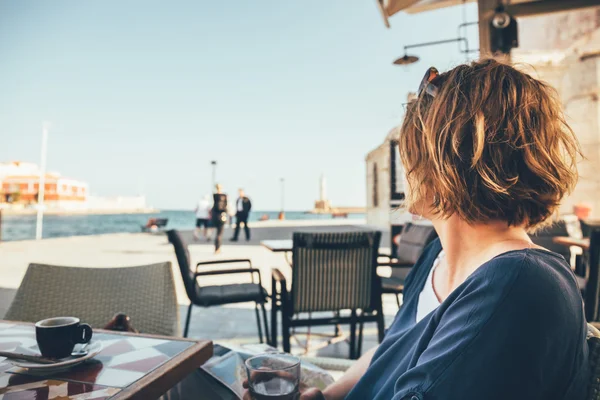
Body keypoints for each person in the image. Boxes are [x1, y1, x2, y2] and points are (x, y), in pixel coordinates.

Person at [244, 60, 589, 399]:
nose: (405, 163)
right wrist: (328, 395)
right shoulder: (437, 257)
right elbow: (389, 353)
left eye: (410, 148)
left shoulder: (516, 285)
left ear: (448, 161)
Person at [212, 184, 228, 254]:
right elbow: (225, 206)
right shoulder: (224, 196)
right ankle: (217, 248)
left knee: (218, 234)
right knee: (219, 234)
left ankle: (217, 247)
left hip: (215, 217)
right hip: (221, 216)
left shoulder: (215, 196)